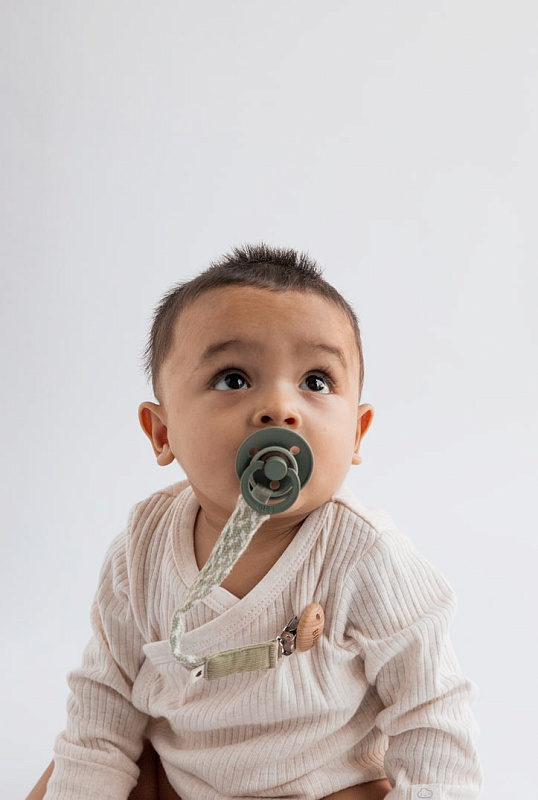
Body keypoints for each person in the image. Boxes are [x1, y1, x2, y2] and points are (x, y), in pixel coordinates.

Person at [28, 244, 481, 800]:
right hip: (184, 778)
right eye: (234, 379)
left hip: (323, 783)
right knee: (75, 764)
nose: (280, 408)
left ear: (357, 434)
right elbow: (105, 703)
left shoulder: (365, 554)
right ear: (162, 433)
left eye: (316, 381)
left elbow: (433, 713)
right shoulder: (142, 549)